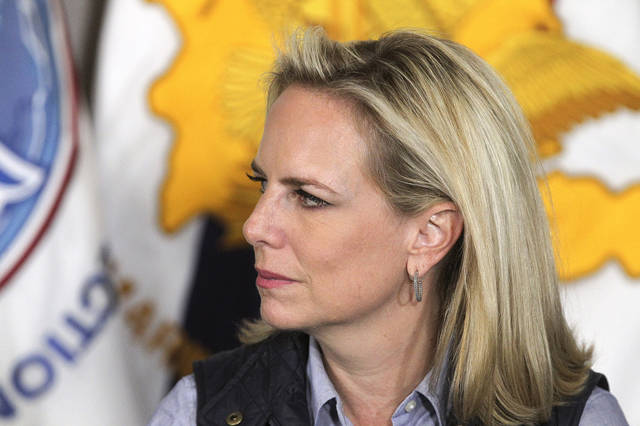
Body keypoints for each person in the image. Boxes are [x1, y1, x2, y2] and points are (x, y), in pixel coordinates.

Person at [149, 28, 628, 425]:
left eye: (309, 197)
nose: (255, 227)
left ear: (430, 235)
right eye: (263, 184)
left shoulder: (581, 419)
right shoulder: (197, 411)